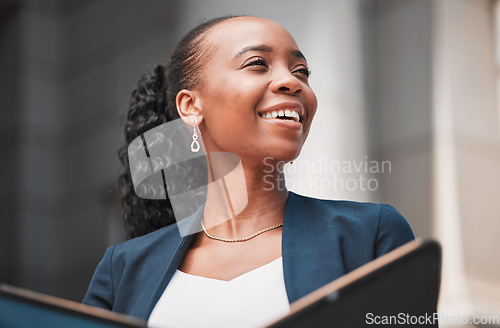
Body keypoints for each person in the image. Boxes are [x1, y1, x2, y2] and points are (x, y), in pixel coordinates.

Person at [83, 15, 414, 328]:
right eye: (257, 64)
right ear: (191, 106)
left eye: (301, 71)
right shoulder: (124, 269)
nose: (292, 82)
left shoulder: (371, 235)